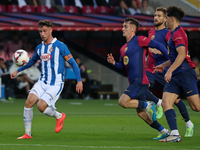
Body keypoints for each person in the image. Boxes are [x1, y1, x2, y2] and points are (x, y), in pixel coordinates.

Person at [10, 20, 83, 139]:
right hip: (42, 82)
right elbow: (32, 62)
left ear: (51, 30)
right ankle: (27, 134)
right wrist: (18, 70)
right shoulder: (39, 48)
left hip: (56, 84)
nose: (42, 34)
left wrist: (79, 80)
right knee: (28, 102)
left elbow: (73, 64)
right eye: (40, 31)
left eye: (44, 31)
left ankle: (59, 116)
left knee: (41, 107)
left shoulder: (60, 46)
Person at [107, 17, 170, 139]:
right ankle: (164, 131)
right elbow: (122, 67)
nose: (122, 28)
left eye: (125, 26)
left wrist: (169, 58)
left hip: (140, 81)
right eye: (123, 26)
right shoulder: (123, 48)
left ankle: (149, 104)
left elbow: (158, 45)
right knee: (141, 113)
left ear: (133, 29)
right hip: (134, 81)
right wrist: (114, 63)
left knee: (123, 102)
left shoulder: (140, 39)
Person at [146, 7, 194, 138]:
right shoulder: (150, 32)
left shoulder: (169, 33)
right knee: (142, 86)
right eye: (155, 15)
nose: (156, 18)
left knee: (177, 100)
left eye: (160, 16)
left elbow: (175, 53)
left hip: (168, 69)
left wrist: (161, 54)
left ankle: (188, 123)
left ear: (165, 19)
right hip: (153, 67)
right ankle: (157, 103)